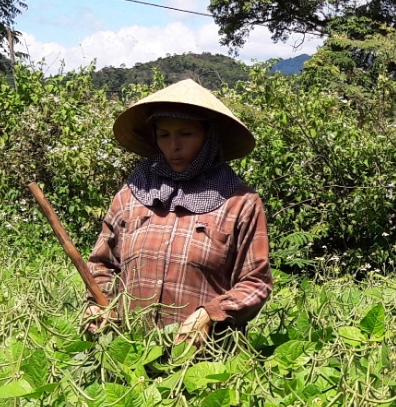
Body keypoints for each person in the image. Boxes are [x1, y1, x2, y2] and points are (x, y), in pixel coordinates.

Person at [87, 78, 273, 343]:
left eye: (186, 134)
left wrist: (209, 315)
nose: (174, 145)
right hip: (128, 352)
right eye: (164, 135)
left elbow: (256, 283)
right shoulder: (131, 195)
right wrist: (98, 302)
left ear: (208, 138)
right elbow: (102, 264)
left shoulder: (240, 202)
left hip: (204, 360)